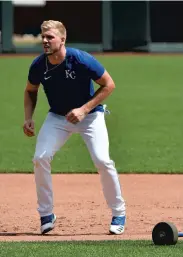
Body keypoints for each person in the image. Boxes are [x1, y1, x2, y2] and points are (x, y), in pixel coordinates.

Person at [23, 20, 126, 235]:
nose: (45, 41)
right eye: (42, 36)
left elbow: (109, 84)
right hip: (58, 117)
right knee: (40, 158)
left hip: (90, 116)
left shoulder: (80, 59)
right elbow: (30, 90)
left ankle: (119, 212)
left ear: (62, 39)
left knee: (102, 160)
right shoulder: (38, 65)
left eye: (50, 37)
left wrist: (84, 109)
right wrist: (28, 118)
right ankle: (46, 214)